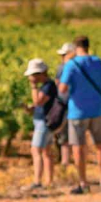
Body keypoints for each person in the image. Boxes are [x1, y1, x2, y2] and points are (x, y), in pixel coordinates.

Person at [59, 35, 101, 194]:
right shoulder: (98, 61)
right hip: (96, 110)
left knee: (78, 148)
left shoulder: (71, 64)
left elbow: (62, 89)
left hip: (77, 112)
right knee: (100, 146)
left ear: (75, 47)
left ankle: (83, 183)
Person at [24, 58, 58, 190]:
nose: (32, 78)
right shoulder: (48, 85)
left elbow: (38, 101)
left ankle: (37, 181)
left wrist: (33, 87)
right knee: (46, 151)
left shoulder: (48, 86)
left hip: (43, 122)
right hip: (44, 121)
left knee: (36, 150)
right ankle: (49, 181)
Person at [55, 42, 75, 167]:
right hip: (78, 104)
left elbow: (58, 84)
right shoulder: (80, 67)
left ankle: (65, 162)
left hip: (64, 103)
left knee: (64, 136)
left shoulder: (62, 68)